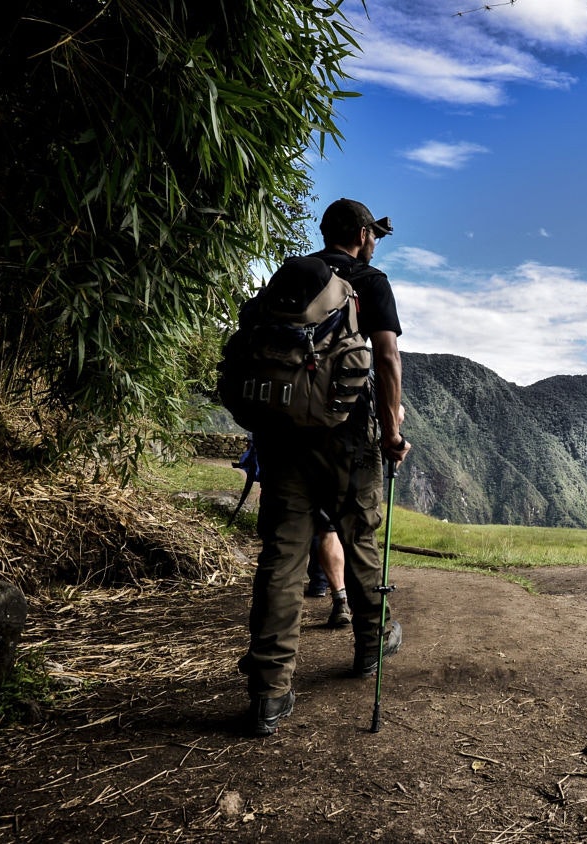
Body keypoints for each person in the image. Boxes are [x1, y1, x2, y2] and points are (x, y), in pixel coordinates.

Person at [239, 198, 413, 737]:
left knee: (283, 557)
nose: (376, 241)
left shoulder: (291, 276)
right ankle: (370, 646)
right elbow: (385, 359)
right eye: (374, 234)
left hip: (283, 437)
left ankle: (268, 690)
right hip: (348, 440)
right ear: (362, 234)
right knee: (360, 539)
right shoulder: (370, 280)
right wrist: (390, 432)